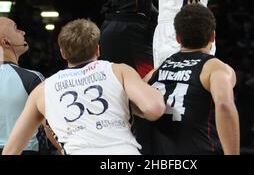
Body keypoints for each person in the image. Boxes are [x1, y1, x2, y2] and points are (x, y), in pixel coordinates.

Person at [2, 19, 165, 155]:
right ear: (98, 49)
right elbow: (154, 108)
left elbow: (11, 150)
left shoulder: (43, 90)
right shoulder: (118, 71)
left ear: (63, 53)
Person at [141, 4, 240, 155]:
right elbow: (225, 105)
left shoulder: (155, 73)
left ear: (178, 38)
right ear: (213, 36)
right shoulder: (215, 68)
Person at [0, 17, 45, 154]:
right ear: (6, 42)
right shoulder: (32, 78)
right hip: (24, 150)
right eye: (16, 28)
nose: (23, 32)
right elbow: (50, 125)